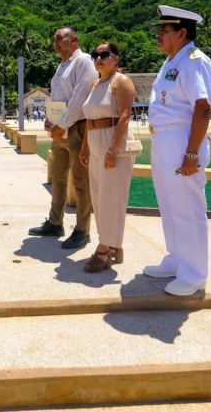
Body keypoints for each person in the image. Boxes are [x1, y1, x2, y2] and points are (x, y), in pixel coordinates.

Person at [142, 6, 211, 297]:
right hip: (164, 141)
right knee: (170, 207)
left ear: (182, 32)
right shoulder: (172, 61)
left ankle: (194, 273)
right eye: (158, 30)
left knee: (188, 208)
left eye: (164, 30)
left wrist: (192, 153)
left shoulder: (194, 61)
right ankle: (176, 260)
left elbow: (202, 107)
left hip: (183, 141)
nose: (158, 35)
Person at [29, 27, 97, 250]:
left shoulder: (84, 61)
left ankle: (82, 230)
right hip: (60, 129)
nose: (56, 43)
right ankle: (55, 222)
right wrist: (51, 121)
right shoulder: (62, 66)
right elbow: (59, 99)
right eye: (54, 40)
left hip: (77, 128)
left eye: (60, 39)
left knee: (80, 181)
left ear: (75, 40)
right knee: (58, 177)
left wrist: (62, 125)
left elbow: (80, 98)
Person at [78, 42, 135, 272]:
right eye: (95, 55)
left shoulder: (121, 82)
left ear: (116, 58)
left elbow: (124, 116)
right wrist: (84, 147)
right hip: (95, 143)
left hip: (114, 143)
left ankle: (104, 250)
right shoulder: (95, 84)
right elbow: (90, 119)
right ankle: (113, 246)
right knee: (99, 198)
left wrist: (112, 148)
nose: (99, 58)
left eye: (104, 55)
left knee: (112, 199)